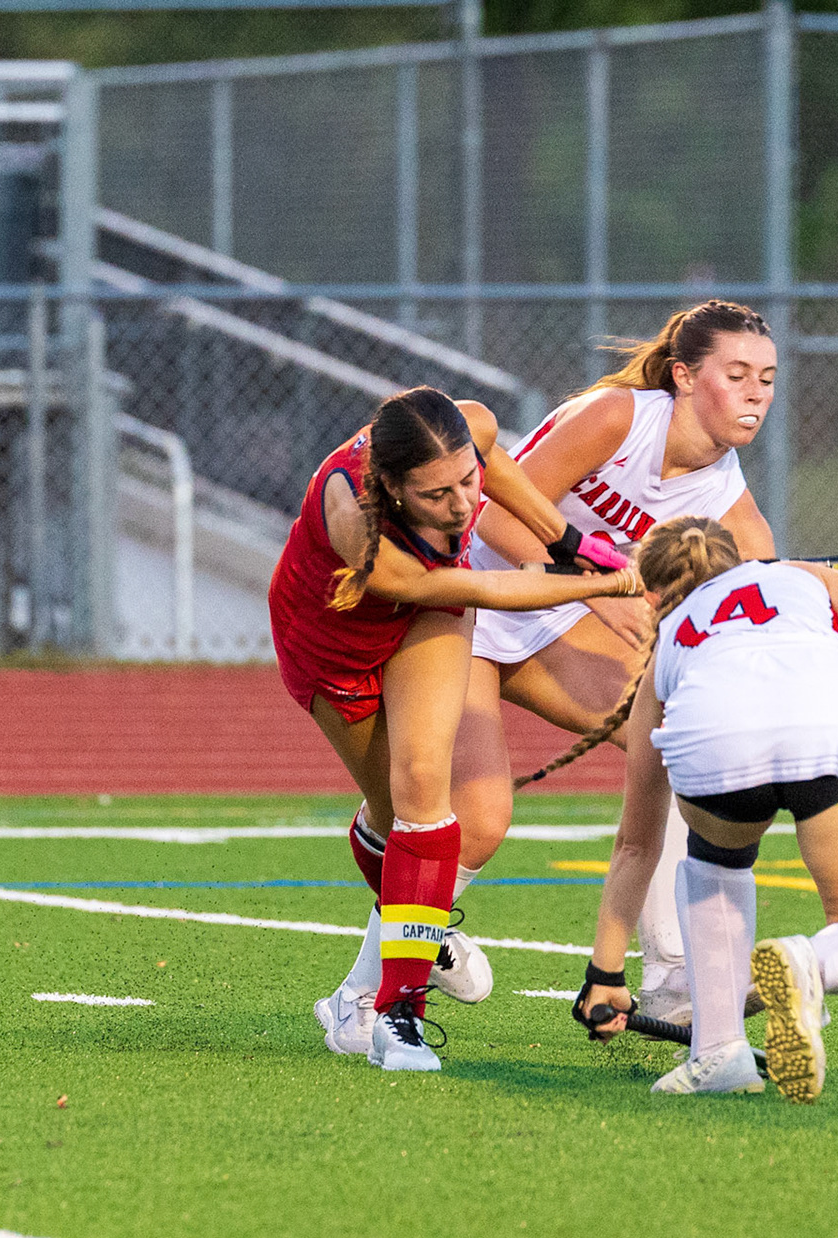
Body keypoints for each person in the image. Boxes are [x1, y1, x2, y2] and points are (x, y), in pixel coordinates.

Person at [319, 300, 781, 1033]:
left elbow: (768, 608)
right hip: (468, 602)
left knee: (675, 741)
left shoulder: (730, 502)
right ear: (686, 376)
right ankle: (359, 997)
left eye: (767, 378)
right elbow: (493, 513)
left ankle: (672, 976)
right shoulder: (618, 419)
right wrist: (597, 592)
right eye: (737, 374)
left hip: (552, 621)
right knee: (478, 821)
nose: (756, 393)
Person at [270, 385, 640, 1072]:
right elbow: (491, 588)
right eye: (436, 495)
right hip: (331, 640)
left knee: (423, 792)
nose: (463, 505)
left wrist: (575, 543)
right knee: (390, 817)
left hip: (430, 620)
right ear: (391, 487)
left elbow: (492, 460)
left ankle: (397, 1016)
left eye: (467, 480)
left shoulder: (470, 430)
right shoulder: (360, 528)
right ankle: (422, 915)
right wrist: (610, 582)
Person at [566, 516, 838, 1102]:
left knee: (713, 862)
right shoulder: (802, 577)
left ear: (650, 596)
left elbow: (637, 843)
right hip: (829, 731)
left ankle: (717, 1053)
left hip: (715, 745)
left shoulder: (667, 648)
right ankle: (811, 963)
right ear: (742, 560)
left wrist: (605, 973)